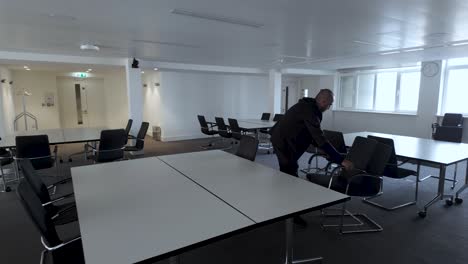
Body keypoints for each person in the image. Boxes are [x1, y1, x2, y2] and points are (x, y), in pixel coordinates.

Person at [270, 89, 353, 227]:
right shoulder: (309, 110)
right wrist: (340, 160)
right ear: (323, 101)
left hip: (282, 139)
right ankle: (290, 214)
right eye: (330, 104)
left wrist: (328, 152)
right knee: (290, 177)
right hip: (284, 143)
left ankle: (284, 207)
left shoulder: (307, 106)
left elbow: (312, 135)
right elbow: (319, 137)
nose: (329, 107)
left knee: (288, 175)